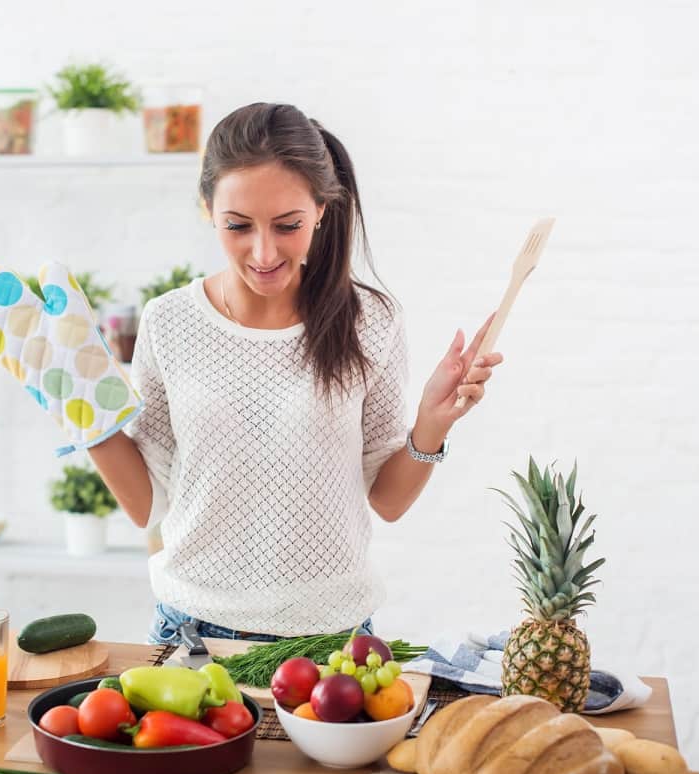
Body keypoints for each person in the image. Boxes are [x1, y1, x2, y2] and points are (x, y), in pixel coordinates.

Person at [87, 102, 502, 646]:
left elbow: (389, 501)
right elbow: (148, 502)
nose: (263, 252)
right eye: (238, 226)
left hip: (332, 637)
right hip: (191, 630)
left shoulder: (370, 320)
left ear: (322, 211)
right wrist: (76, 406)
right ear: (207, 209)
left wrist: (432, 421)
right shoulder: (169, 321)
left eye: (288, 226)